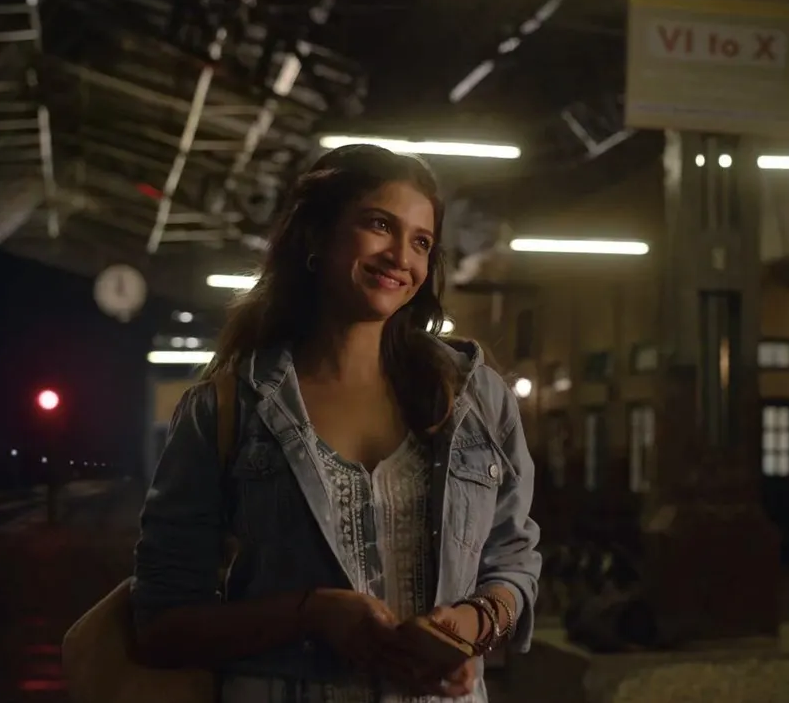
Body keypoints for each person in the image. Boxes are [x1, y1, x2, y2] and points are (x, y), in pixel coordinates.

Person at [129, 144, 543, 702]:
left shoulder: (475, 398)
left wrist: (470, 627)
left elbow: (513, 559)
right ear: (316, 236)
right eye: (379, 225)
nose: (401, 256)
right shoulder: (226, 407)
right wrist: (310, 614)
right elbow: (161, 623)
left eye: (421, 242)